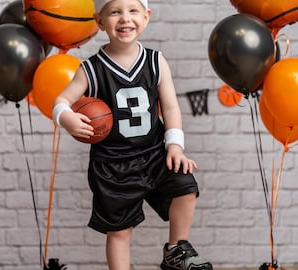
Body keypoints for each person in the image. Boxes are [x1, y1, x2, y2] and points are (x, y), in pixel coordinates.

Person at [52, 0, 213, 270]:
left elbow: (171, 106)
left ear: (146, 16)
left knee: (185, 186)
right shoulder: (91, 68)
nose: (125, 18)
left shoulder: (155, 60)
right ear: (100, 21)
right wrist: (65, 118)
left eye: (133, 10)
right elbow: (60, 100)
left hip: (154, 152)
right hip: (112, 163)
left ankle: (175, 250)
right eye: (115, 11)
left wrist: (174, 146)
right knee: (119, 231)